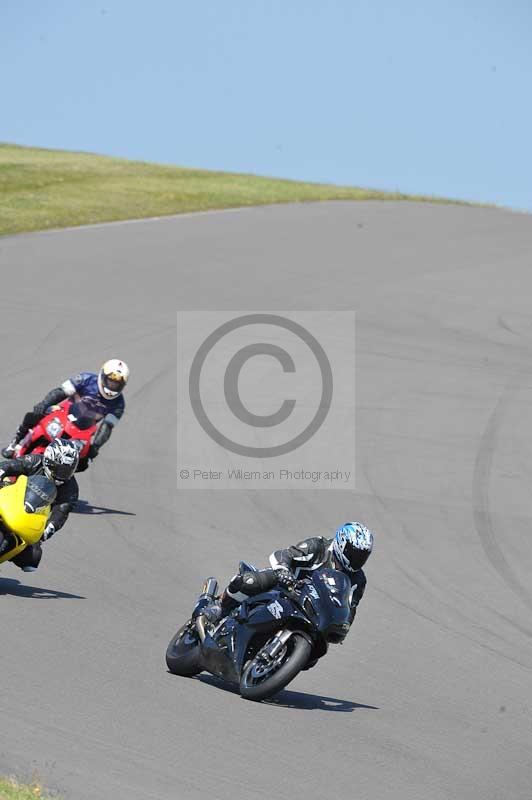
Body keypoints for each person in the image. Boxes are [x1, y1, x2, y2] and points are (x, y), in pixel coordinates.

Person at [195, 521, 374, 630]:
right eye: (354, 553)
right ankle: (219, 608)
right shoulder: (319, 546)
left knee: (316, 653)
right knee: (249, 581)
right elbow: (285, 554)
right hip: (284, 586)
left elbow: (351, 608)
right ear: (342, 543)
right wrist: (283, 572)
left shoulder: (358, 580)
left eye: (363, 556)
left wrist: (343, 625)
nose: (358, 559)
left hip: (311, 609)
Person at [2, 359, 129, 469]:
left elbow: (107, 427)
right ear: (103, 376)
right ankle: (14, 444)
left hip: (82, 431)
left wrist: (95, 447)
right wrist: (44, 404)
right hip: (62, 413)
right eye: (111, 381)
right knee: (32, 416)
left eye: (117, 384)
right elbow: (61, 392)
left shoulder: (119, 404)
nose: (112, 386)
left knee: (82, 463)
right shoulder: (86, 379)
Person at [0, 438, 80, 572]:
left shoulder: (71, 489)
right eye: (60, 469)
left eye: (68, 470)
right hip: (10, 496)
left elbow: (61, 512)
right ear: (49, 461)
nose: (64, 475)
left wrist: (48, 529)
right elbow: (10, 465)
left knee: (32, 559)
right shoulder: (35, 461)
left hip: (32, 517)